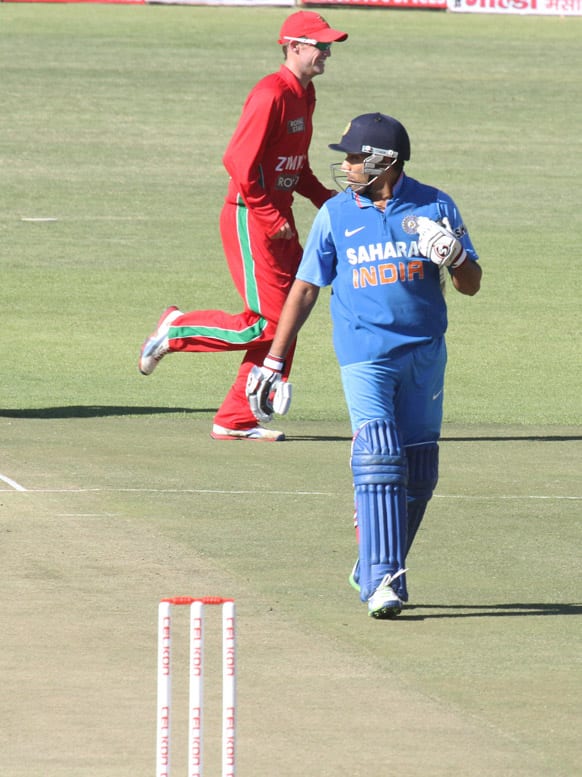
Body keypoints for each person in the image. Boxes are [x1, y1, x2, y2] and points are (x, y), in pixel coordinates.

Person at [246, 113, 482, 618]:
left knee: (419, 473)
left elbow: (472, 284)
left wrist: (455, 256)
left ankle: (372, 562)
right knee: (379, 455)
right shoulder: (335, 214)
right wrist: (273, 359)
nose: (347, 166)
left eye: (356, 158)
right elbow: (306, 288)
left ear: (386, 163)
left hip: (424, 354)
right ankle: (382, 582)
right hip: (364, 355)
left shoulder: (435, 204)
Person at [138, 11, 348, 442]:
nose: (327, 52)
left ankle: (236, 417)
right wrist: (269, 216)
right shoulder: (270, 93)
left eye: (329, 46)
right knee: (272, 325)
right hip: (250, 215)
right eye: (319, 45)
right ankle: (176, 329)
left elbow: (293, 164)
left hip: (278, 216)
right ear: (293, 46)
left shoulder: (305, 95)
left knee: (289, 318)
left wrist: (325, 198)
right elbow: (237, 160)